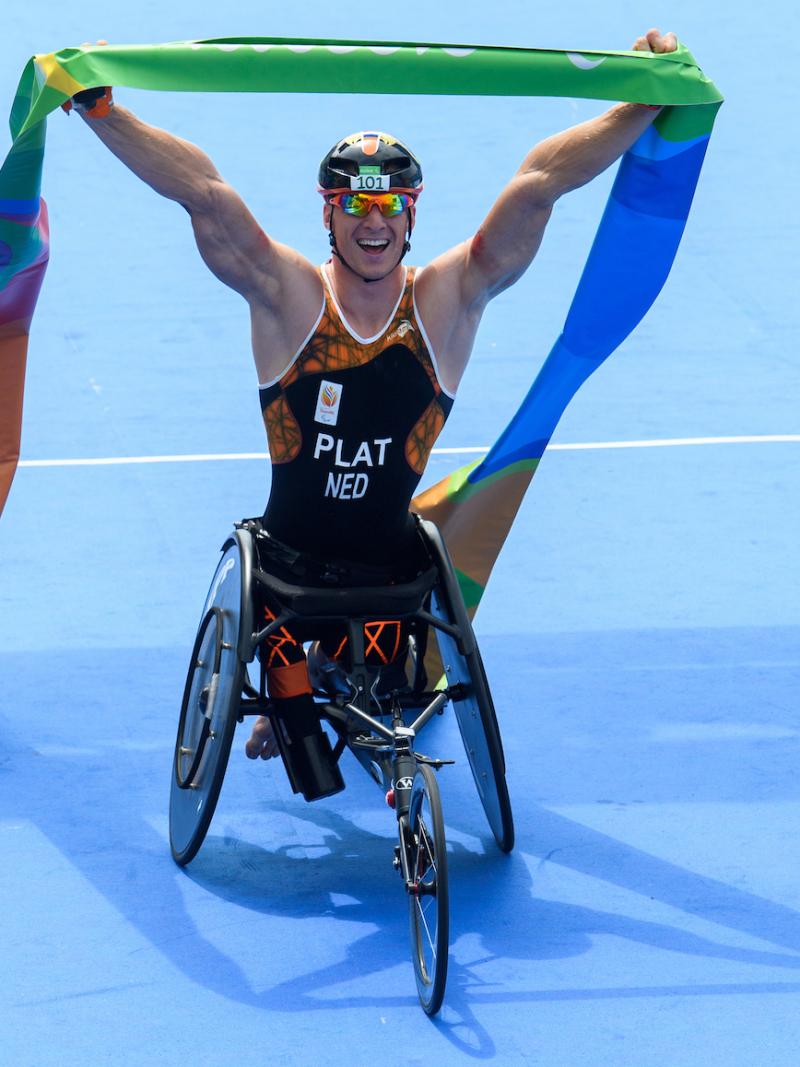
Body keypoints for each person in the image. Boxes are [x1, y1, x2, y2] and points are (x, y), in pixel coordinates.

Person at [66, 29, 677, 773]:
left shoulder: (445, 301)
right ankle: (295, 696)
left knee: (388, 719)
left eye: (389, 201)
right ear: (329, 212)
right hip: (284, 575)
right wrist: (104, 112)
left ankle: (333, 677)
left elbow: (539, 182)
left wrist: (639, 104)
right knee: (310, 766)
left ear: (411, 210)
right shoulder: (290, 297)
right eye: (354, 203)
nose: (373, 219)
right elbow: (204, 195)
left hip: (394, 578)